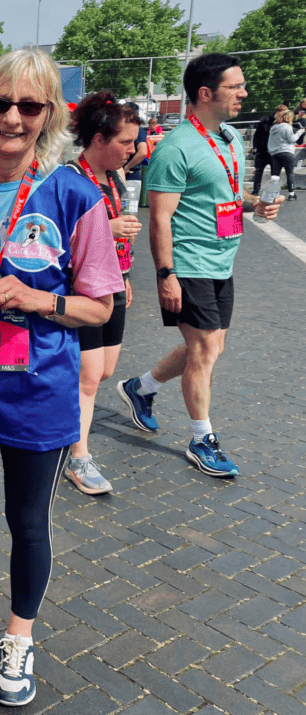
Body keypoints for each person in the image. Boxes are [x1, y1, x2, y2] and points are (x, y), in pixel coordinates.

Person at [0, 48, 123, 705]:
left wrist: (38, 299)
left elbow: (101, 305)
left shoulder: (73, 192)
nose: (11, 117)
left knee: (26, 524)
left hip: (37, 389)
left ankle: (18, 637)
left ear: (48, 116)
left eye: (27, 105)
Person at [117, 53, 283, 479]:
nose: (244, 93)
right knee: (205, 350)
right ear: (206, 93)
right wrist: (165, 274)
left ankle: (141, 388)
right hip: (188, 264)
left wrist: (255, 204)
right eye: (235, 86)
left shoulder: (228, 137)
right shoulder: (175, 148)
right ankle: (201, 439)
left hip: (221, 262)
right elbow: (159, 218)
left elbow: (225, 192)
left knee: (208, 348)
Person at [61, 92, 143, 495]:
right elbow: (56, 238)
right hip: (83, 291)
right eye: (126, 142)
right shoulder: (70, 181)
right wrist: (106, 231)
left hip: (114, 285)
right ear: (98, 140)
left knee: (105, 371)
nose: (134, 149)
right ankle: (78, 457)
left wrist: (125, 275)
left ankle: (65, 427)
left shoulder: (114, 177)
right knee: (89, 379)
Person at [268, 107, 304, 201]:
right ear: (288, 118)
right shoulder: (287, 127)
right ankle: (291, 194)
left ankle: (272, 195)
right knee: (290, 174)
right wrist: (300, 132)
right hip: (287, 152)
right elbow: (292, 139)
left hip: (275, 154)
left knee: (275, 176)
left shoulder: (273, 128)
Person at [251, 105, 282, 196]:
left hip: (274, 152)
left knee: (275, 174)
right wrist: (255, 147)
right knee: (259, 172)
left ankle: (273, 192)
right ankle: (256, 190)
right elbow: (256, 136)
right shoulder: (264, 122)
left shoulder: (281, 124)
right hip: (262, 150)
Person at [121, 102, 148, 179]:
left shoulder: (138, 130)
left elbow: (142, 152)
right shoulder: (122, 129)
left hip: (130, 174)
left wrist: (126, 168)